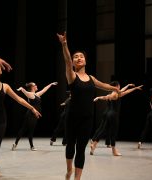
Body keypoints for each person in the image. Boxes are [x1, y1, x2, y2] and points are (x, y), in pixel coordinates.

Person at [57, 31, 120, 180]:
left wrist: (114, 88)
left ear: (85, 61)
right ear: (73, 62)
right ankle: (68, 170)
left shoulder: (91, 78)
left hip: (87, 118)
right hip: (72, 117)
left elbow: (103, 85)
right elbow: (66, 59)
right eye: (76, 57)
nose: (78, 58)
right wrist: (64, 44)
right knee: (71, 145)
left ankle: (77, 178)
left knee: (81, 149)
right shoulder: (72, 75)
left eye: (81, 56)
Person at [0, 61, 41, 180]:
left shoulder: (5, 86)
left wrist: (32, 108)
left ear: (1, 71)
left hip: (1, 120)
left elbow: (19, 99)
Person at [90, 82, 143, 156]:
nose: (119, 87)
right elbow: (126, 92)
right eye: (118, 85)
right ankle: (114, 151)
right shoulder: (117, 94)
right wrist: (134, 88)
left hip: (109, 114)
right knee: (113, 133)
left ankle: (94, 144)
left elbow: (106, 97)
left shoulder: (111, 94)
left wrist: (98, 97)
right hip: (114, 115)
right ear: (116, 86)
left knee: (104, 130)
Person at [11, 81, 58, 151]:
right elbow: (26, 93)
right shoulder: (31, 94)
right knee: (29, 130)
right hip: (31, 114)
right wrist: (22, 89)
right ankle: (31, 146)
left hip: (33, 115)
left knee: (24, 129)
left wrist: (51, 84)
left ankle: (15, 144)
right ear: (32, 87)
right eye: (35, 85)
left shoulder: (37, 94)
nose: (36, 86)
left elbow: (44, 89)